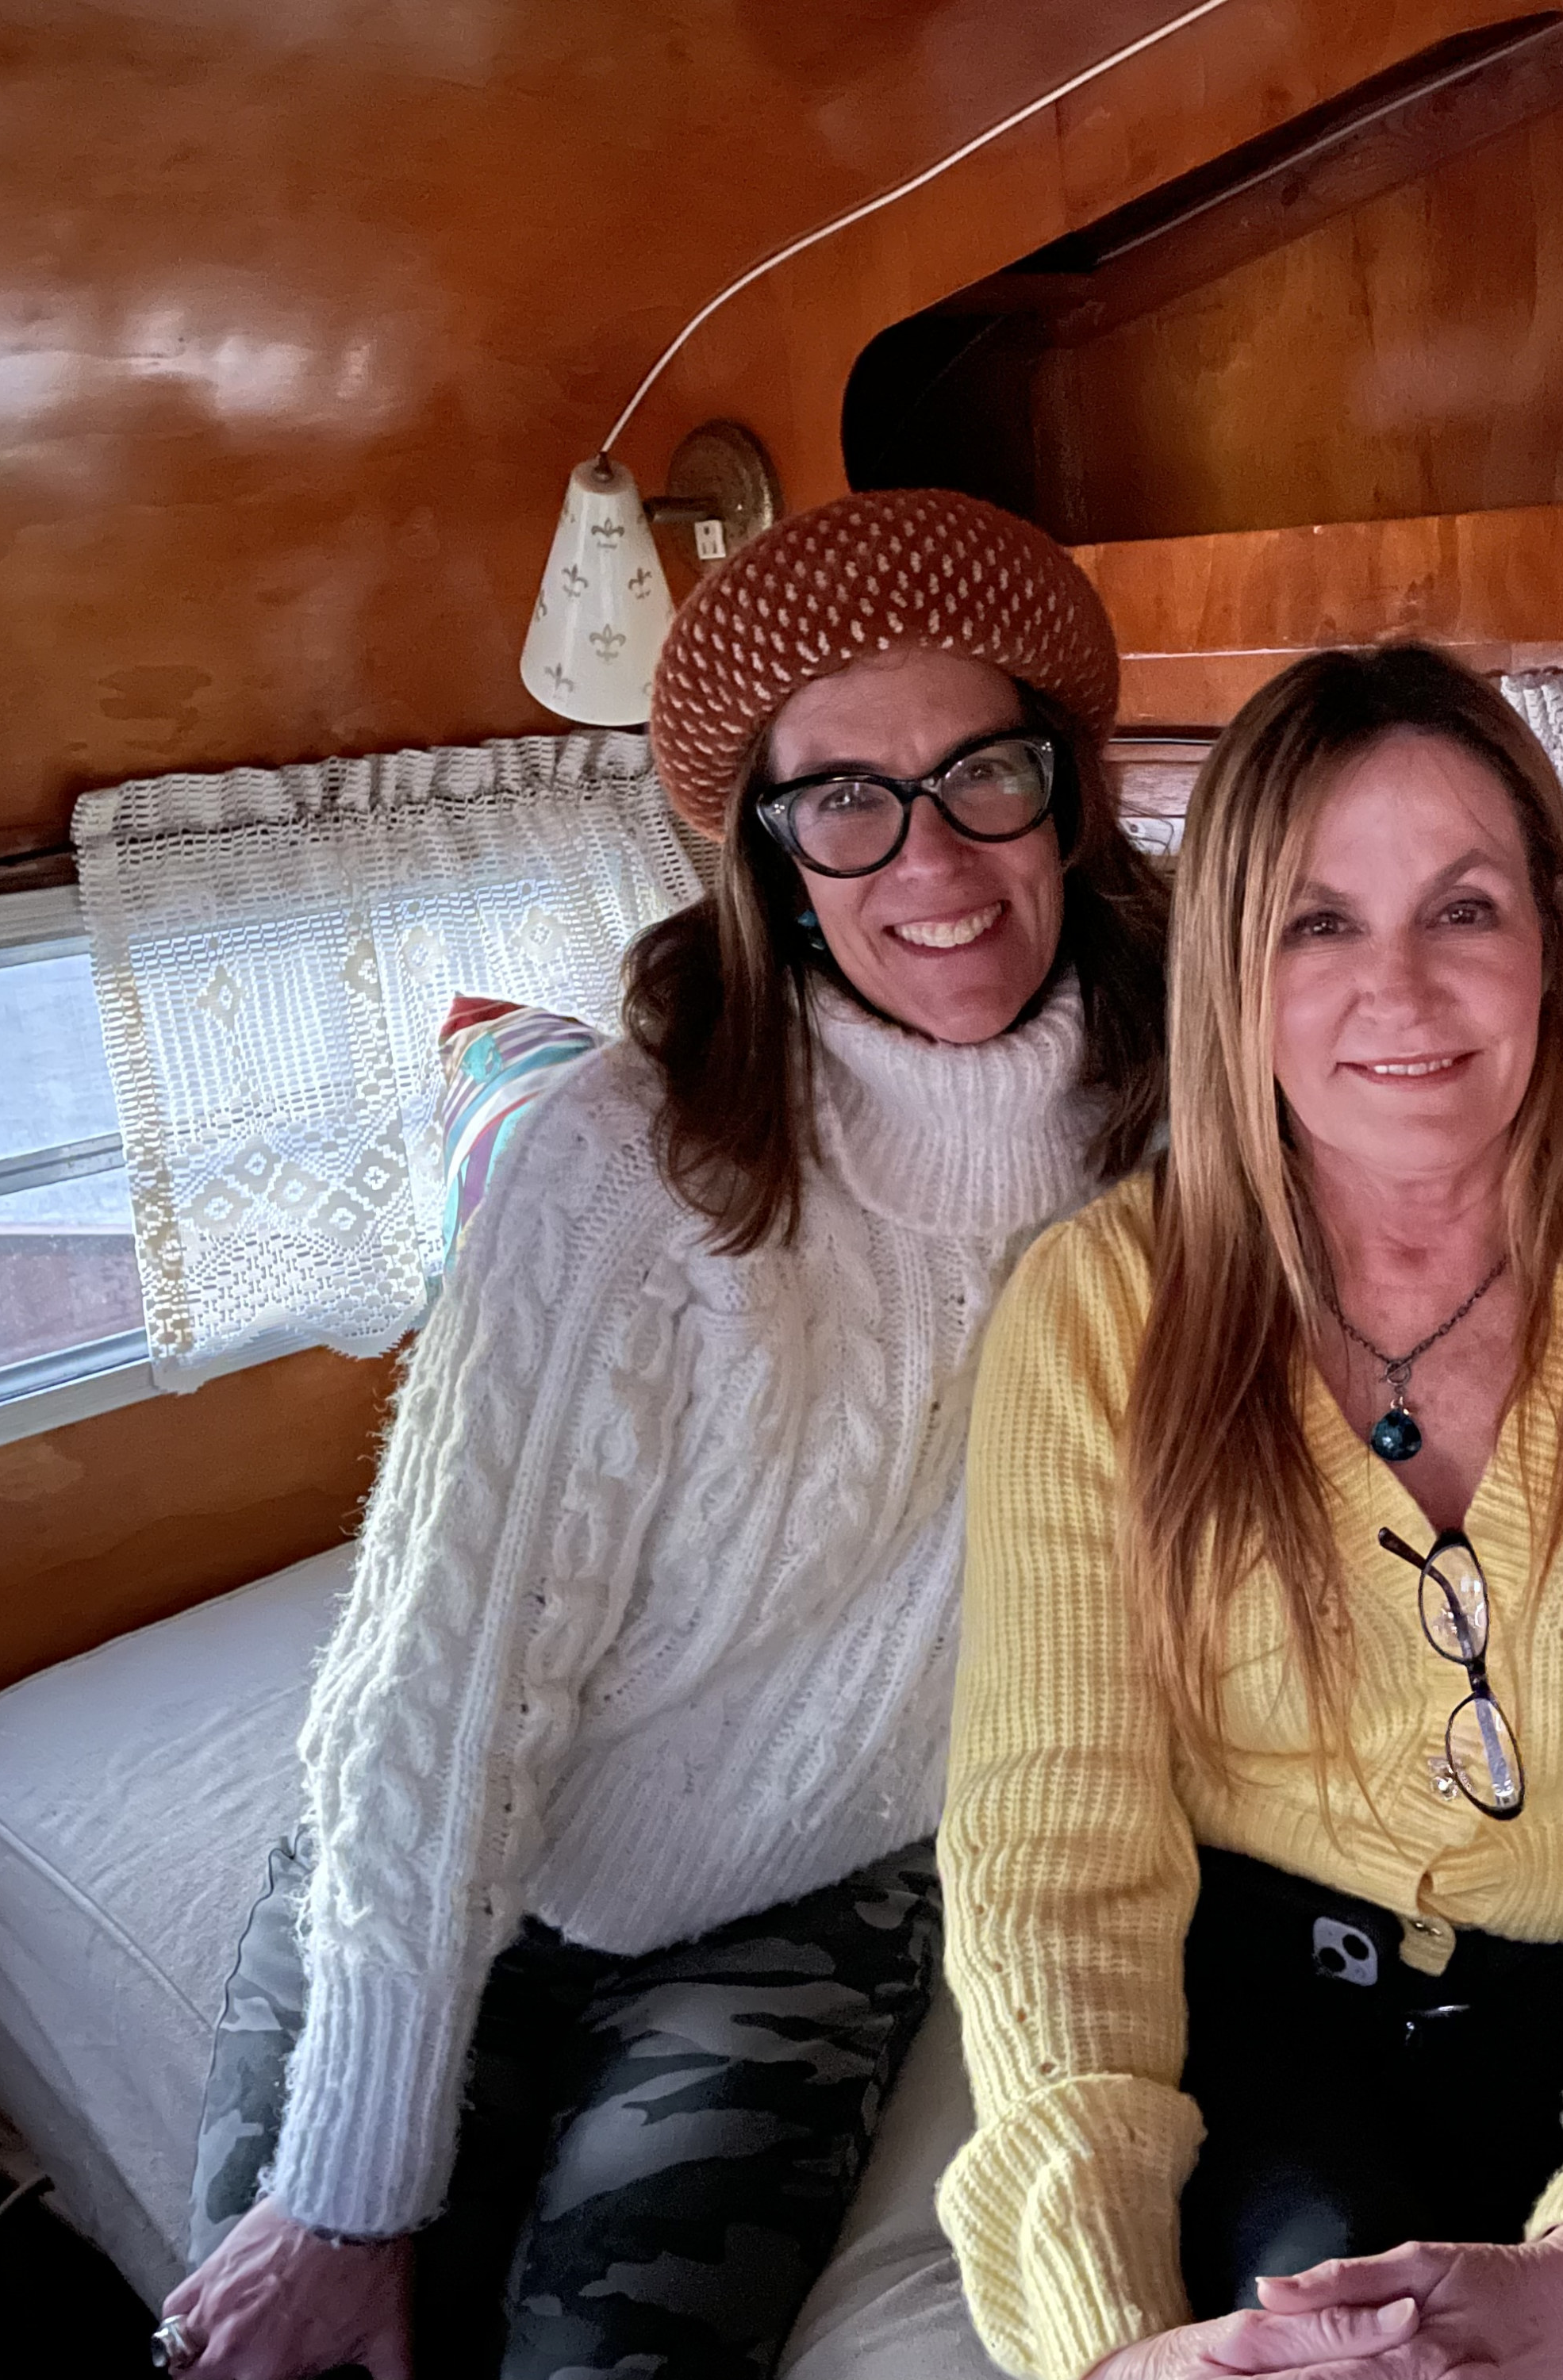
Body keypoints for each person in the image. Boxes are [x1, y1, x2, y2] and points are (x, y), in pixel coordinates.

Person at [158, 487, 1169, 2380]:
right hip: (436, 1847)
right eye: (845, 802)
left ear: (1070, 791)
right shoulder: (621, 1165)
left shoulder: (1193, 1125)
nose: (927, 857)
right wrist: (353, 2186)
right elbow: (446, 1672)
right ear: (770, 855)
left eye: (985, 775)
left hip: (804, 1899)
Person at [936, 643, 1563, 2380]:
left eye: (1459, 910)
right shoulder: (1092, 1316)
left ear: (1549, 934)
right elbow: (1050, 1860)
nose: (1397, 990)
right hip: (1251, 2020)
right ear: (1230, 967)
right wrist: (1098, 2340)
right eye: (1316, 923)